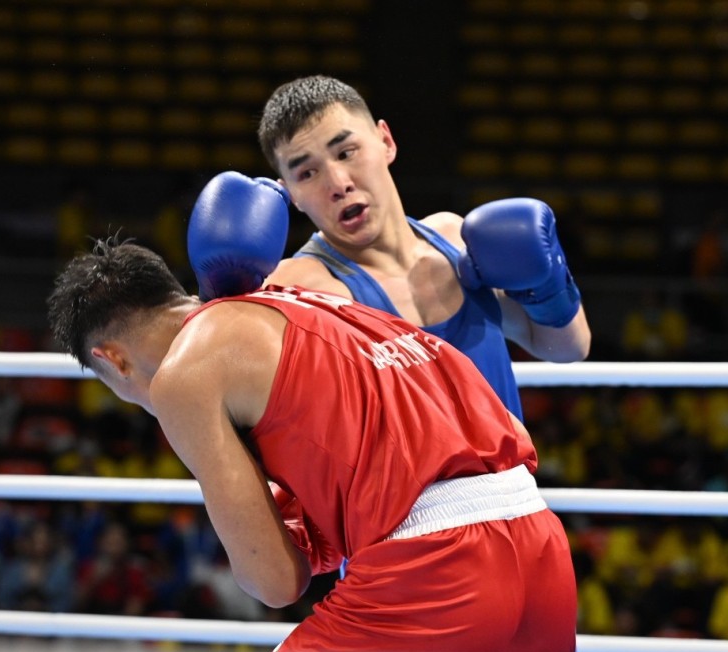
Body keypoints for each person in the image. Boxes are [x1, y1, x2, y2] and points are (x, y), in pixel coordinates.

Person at [47, 239, 577, 652]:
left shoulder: (182, 374)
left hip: (438, 570)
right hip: (538, 544)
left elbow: (276, 582)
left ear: (111, 360)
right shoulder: (305, 301)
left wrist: (266, 538)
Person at [187, 75, 590, 420]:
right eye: (307, 172)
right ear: (290, 194)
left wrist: (548, 288)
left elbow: (568, 347)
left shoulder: (456, 241)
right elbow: (205, 396)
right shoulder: (298, 290)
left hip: (512, 502)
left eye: (347, 152)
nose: (338, 182)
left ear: (386, 142)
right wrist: (217, 302)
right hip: (398, 512)